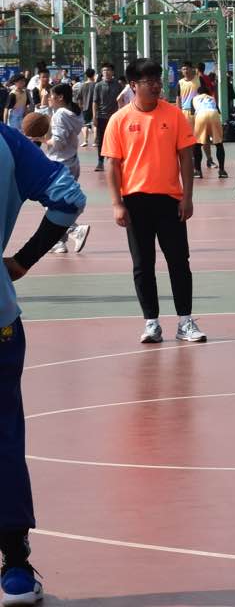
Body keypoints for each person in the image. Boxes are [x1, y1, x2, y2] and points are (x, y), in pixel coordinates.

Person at [1, 111, 89, 607]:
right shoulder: (8, 144)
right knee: (3, 435)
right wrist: (23, 260)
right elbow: (68, 197)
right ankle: (14, 564)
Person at [102, 59, 205, 345]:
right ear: (133, 85)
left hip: (169, 201)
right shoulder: (119, 120)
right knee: (142, 264)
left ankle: (185, 321)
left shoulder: (173, 115)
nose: (156, 85)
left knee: (179, 262)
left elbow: (186, 157)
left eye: (158, 80)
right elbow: (112, 164)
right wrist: (116, 203)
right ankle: (151, 323)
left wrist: (187, 197)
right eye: (149, 81)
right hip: (134, 202)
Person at [43, 84, 90, 254]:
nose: (49, 98)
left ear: (60, 97)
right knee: (62, 202)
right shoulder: (75, 112)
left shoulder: (60, 115)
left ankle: (74, 230)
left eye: (51, 95)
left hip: (59, 164)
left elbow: (58, 143)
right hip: (72, 162)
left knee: (51, 203)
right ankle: (59, 243)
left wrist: (42, 139)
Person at [191, 88, 227, 180]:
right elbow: (218, 111)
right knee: (219, 144)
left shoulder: (194, 99)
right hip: (214, 115)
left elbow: (193, 114)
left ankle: (198, 171)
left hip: (201, 116)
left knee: (197, 144)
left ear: (198, 93)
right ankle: (222, 171)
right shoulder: (212, 98)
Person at [89, 64, 120, 173]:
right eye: (104, 70)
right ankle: (100, 162)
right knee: (100, 140)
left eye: (108, 70)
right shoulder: (98, 85)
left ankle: (116, 161)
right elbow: (95, 102)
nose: (106, 72)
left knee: (116, 140)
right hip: (101, 117)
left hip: (114, 118)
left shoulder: (118, 85)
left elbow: (121, 100)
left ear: (112, 72)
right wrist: (94, 117)